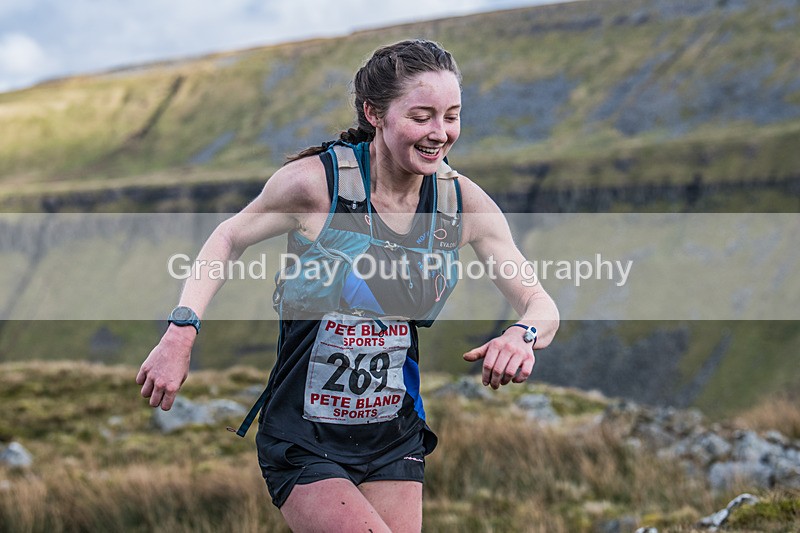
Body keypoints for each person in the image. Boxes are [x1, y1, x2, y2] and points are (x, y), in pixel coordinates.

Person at [137, 39, 559, 532]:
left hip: (393, 434)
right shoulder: (316, 185)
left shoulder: (460, 202)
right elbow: (228, 237)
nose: (439, 133)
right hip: (304, 434)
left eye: (451, 116)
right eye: (421, 116)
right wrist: (181, 331)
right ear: (373, 112)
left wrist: (522, 334)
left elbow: (539, 302)